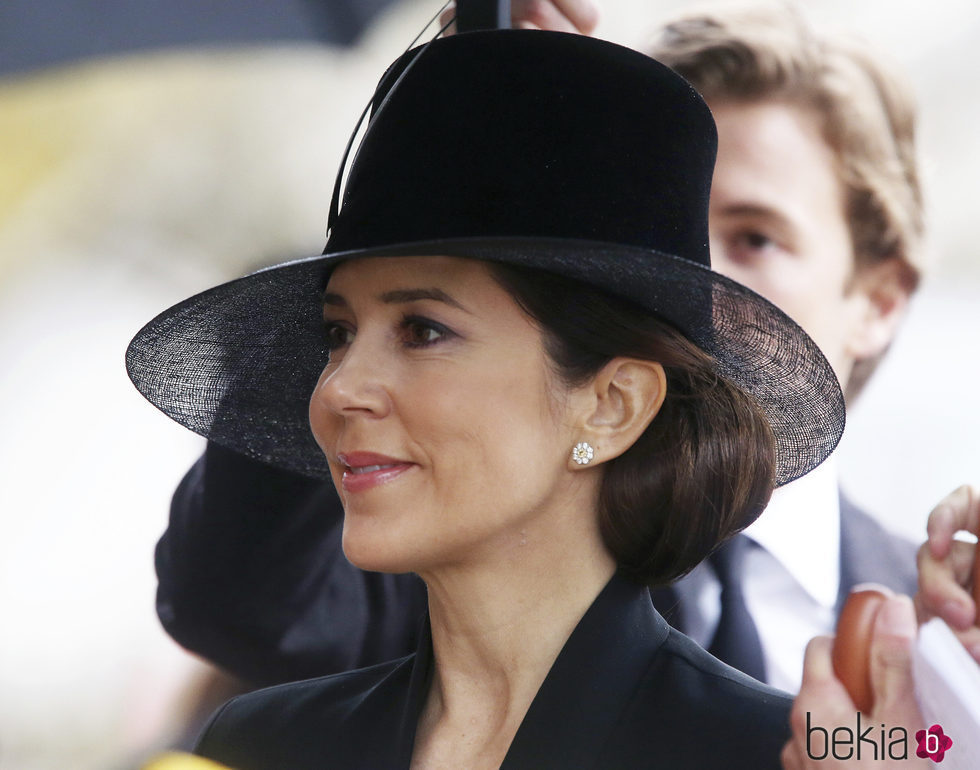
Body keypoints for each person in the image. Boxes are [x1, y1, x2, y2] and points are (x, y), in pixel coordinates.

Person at [152, 1, 927, 693]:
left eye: (754, 237)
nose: (698, 281)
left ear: (879, 299)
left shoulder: (942, 626)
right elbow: (241, 599)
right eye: (670, 243)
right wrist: (453, 163)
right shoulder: (471, 560)